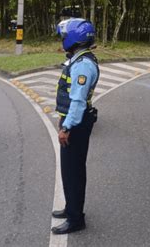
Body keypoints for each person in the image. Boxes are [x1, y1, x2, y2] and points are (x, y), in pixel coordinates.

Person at [51, 18, 99, 235]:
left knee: (73, 172)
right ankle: (71, 208)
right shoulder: (77, 60)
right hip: (74, 121)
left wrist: (66, 127)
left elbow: (78, 102)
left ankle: (75, 219)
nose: (62, 41)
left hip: (76, 125)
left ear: (74, 39)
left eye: (63, 37)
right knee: (69, 170)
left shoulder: (83, 65)